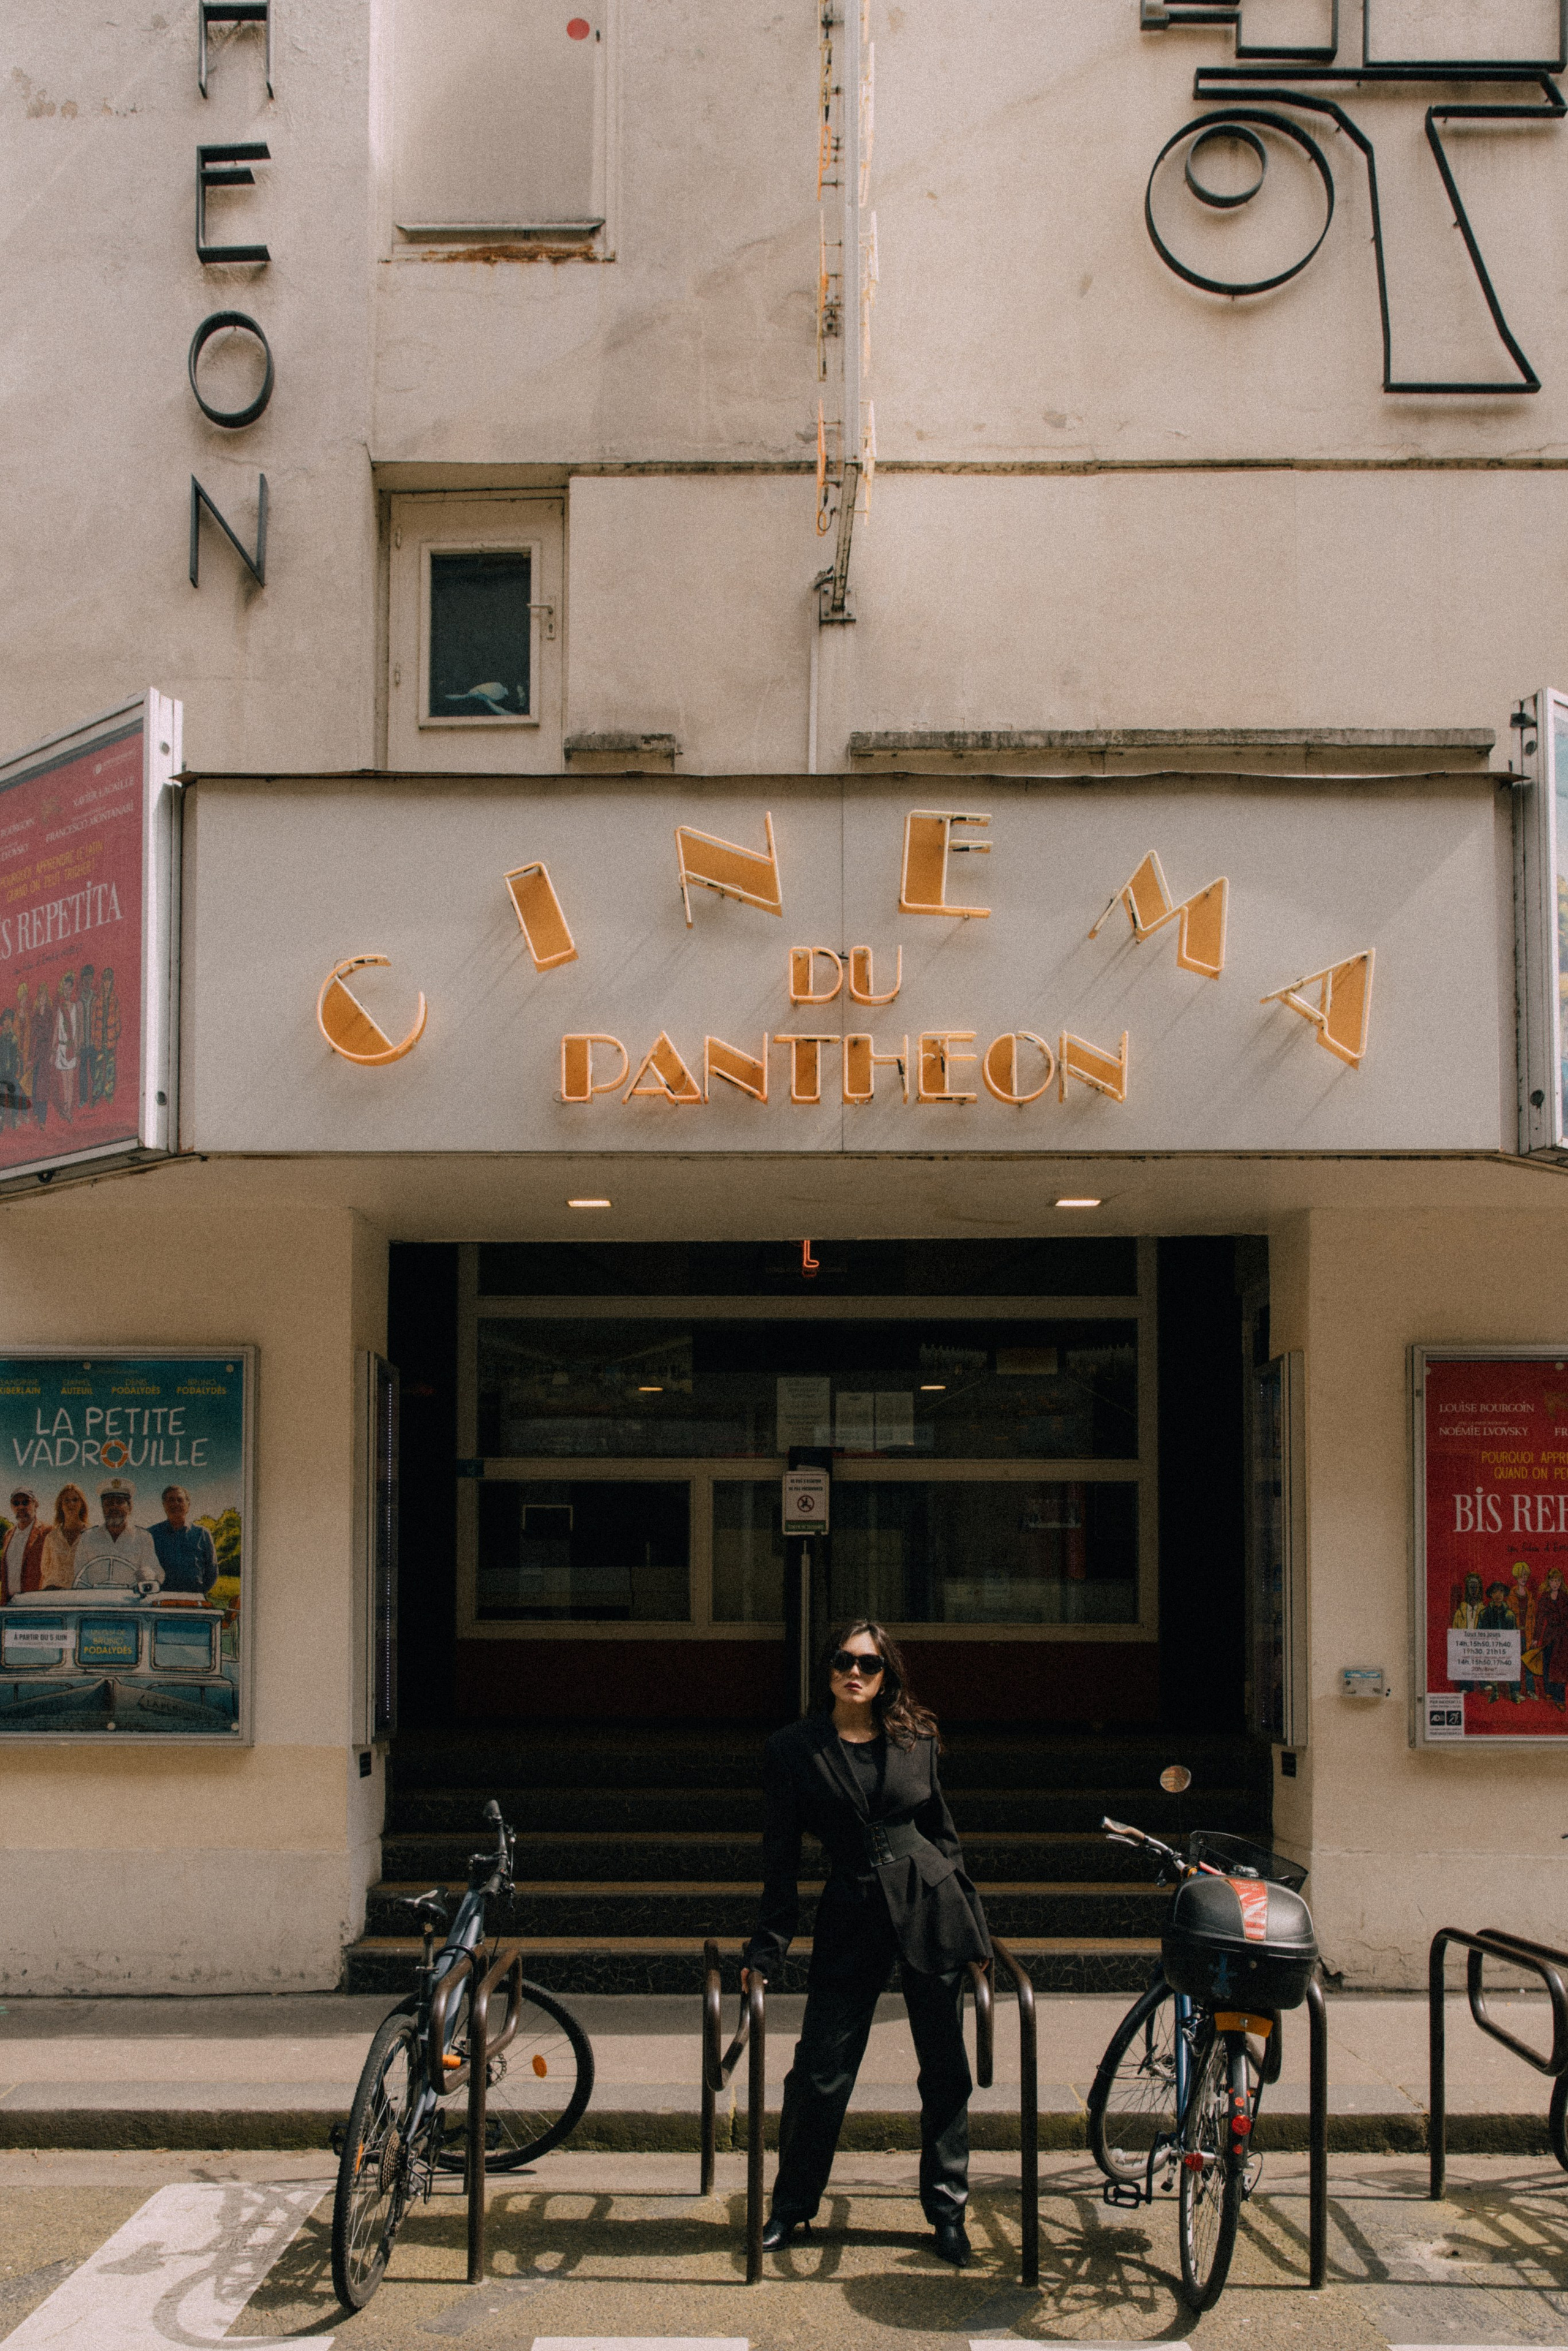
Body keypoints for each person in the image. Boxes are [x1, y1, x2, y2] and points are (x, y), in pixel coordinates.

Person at [742, 1620, 990, 2268]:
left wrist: (976, 1928)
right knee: (820, 2069)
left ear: (887, 1675)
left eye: (869, 1663)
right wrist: (767, 1948)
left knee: (944, 2070)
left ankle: (946, 2212)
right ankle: (791, 2205)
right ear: (825, 1668)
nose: (855, 1671)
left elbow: (944, 1836)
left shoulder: (918, 1740)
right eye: (842, 1660)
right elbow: (781, 1856)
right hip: (850, 1909)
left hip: (931, 1905)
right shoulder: (794, 1748)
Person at [74, 1481, 162, 1591]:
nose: (114, 1507)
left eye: (120, 1502)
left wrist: (149, 1575)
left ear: (130, 1507)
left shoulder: (143, 1537)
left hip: (131, 1603)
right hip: (95, 1602)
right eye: (109, 1503)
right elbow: (79, 1575)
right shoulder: (87, 1537)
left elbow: (156, 1572)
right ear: (103, 1508)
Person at [149, 1485, 217, 1595]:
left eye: (180, 1500)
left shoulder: (202, 1534)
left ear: (188, 1505)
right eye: (171, 1500)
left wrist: (199, 1593)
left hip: (193, 1599)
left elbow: (212, 1571)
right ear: (164, 1505)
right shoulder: (151, 1534)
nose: (175, 1504)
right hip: (159, 1598)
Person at [40, 1483, 90, 1590]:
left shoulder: (91, 1535)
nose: (71, 1504)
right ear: (61, 1505)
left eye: (75, 1500)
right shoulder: (51, 1537)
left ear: (82, 1504)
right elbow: (45, 1569)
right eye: (66, 1500)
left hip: (81, 1593)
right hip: (53, 1594)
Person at [0, 1487, 47, 1601]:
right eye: (16, 1503)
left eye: (26, 1502)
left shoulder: (47, 1532)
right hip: (10, 1603)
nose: (21, 1507)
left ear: (36, 1505)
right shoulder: (8, 1535)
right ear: (12, 1507)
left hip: (35, 1603)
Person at [51, 970, 80, 1123]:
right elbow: (56, 1030)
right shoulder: (59, 1008)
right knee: (64, 1083)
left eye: (69, 988)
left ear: (72, 989)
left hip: (71, 1048)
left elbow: (78, 1029)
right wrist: (52, 1050)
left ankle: (68, 1111)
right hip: (62, 1049)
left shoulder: (76, 1007)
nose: (67, 991)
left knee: (71, 1082)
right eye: (65, 988)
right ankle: (66, 1109)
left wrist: (77, 1045)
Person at [1539, 1566, 1568, 1713]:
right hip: (1549, 1635)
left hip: (1563, 1636)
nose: (1555, 1583)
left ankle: (1560, 1698)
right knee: (1547, 1663)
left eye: (1558, 1580)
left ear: (1561, 1582)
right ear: (1548, 1582)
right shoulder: (1544, 1597)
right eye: (1553, 1580)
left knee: (1560, 1667)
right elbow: (1540, 1618)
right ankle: (1549, 1690)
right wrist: (1536, 1638)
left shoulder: (1565, 1597)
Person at [94, 967, 120, 1104]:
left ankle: (108, 1093)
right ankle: (97, 1094)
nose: (107, 983)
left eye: (109, 981)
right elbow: (94, 1021)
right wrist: (95, 1037)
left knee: (110, 1069)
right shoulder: (98, 1001)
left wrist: (114, 1035)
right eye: (105, 980)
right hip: (100, 1040)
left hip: (110, 1040)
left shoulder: (114, 1000)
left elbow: (117, 1021)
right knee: (98, 1069)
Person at [76, 964, 96, 1109]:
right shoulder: (79, 1003)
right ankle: (83, 1099)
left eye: (90, 980)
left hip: (94, 1042)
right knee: (83, 1074)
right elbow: (77, 1026)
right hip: (83, 1044)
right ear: (82, 982)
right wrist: (78, 1043)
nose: (87, 983)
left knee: (95, 1071)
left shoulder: (96, 999)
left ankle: (95, 1097)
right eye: (85, 980)